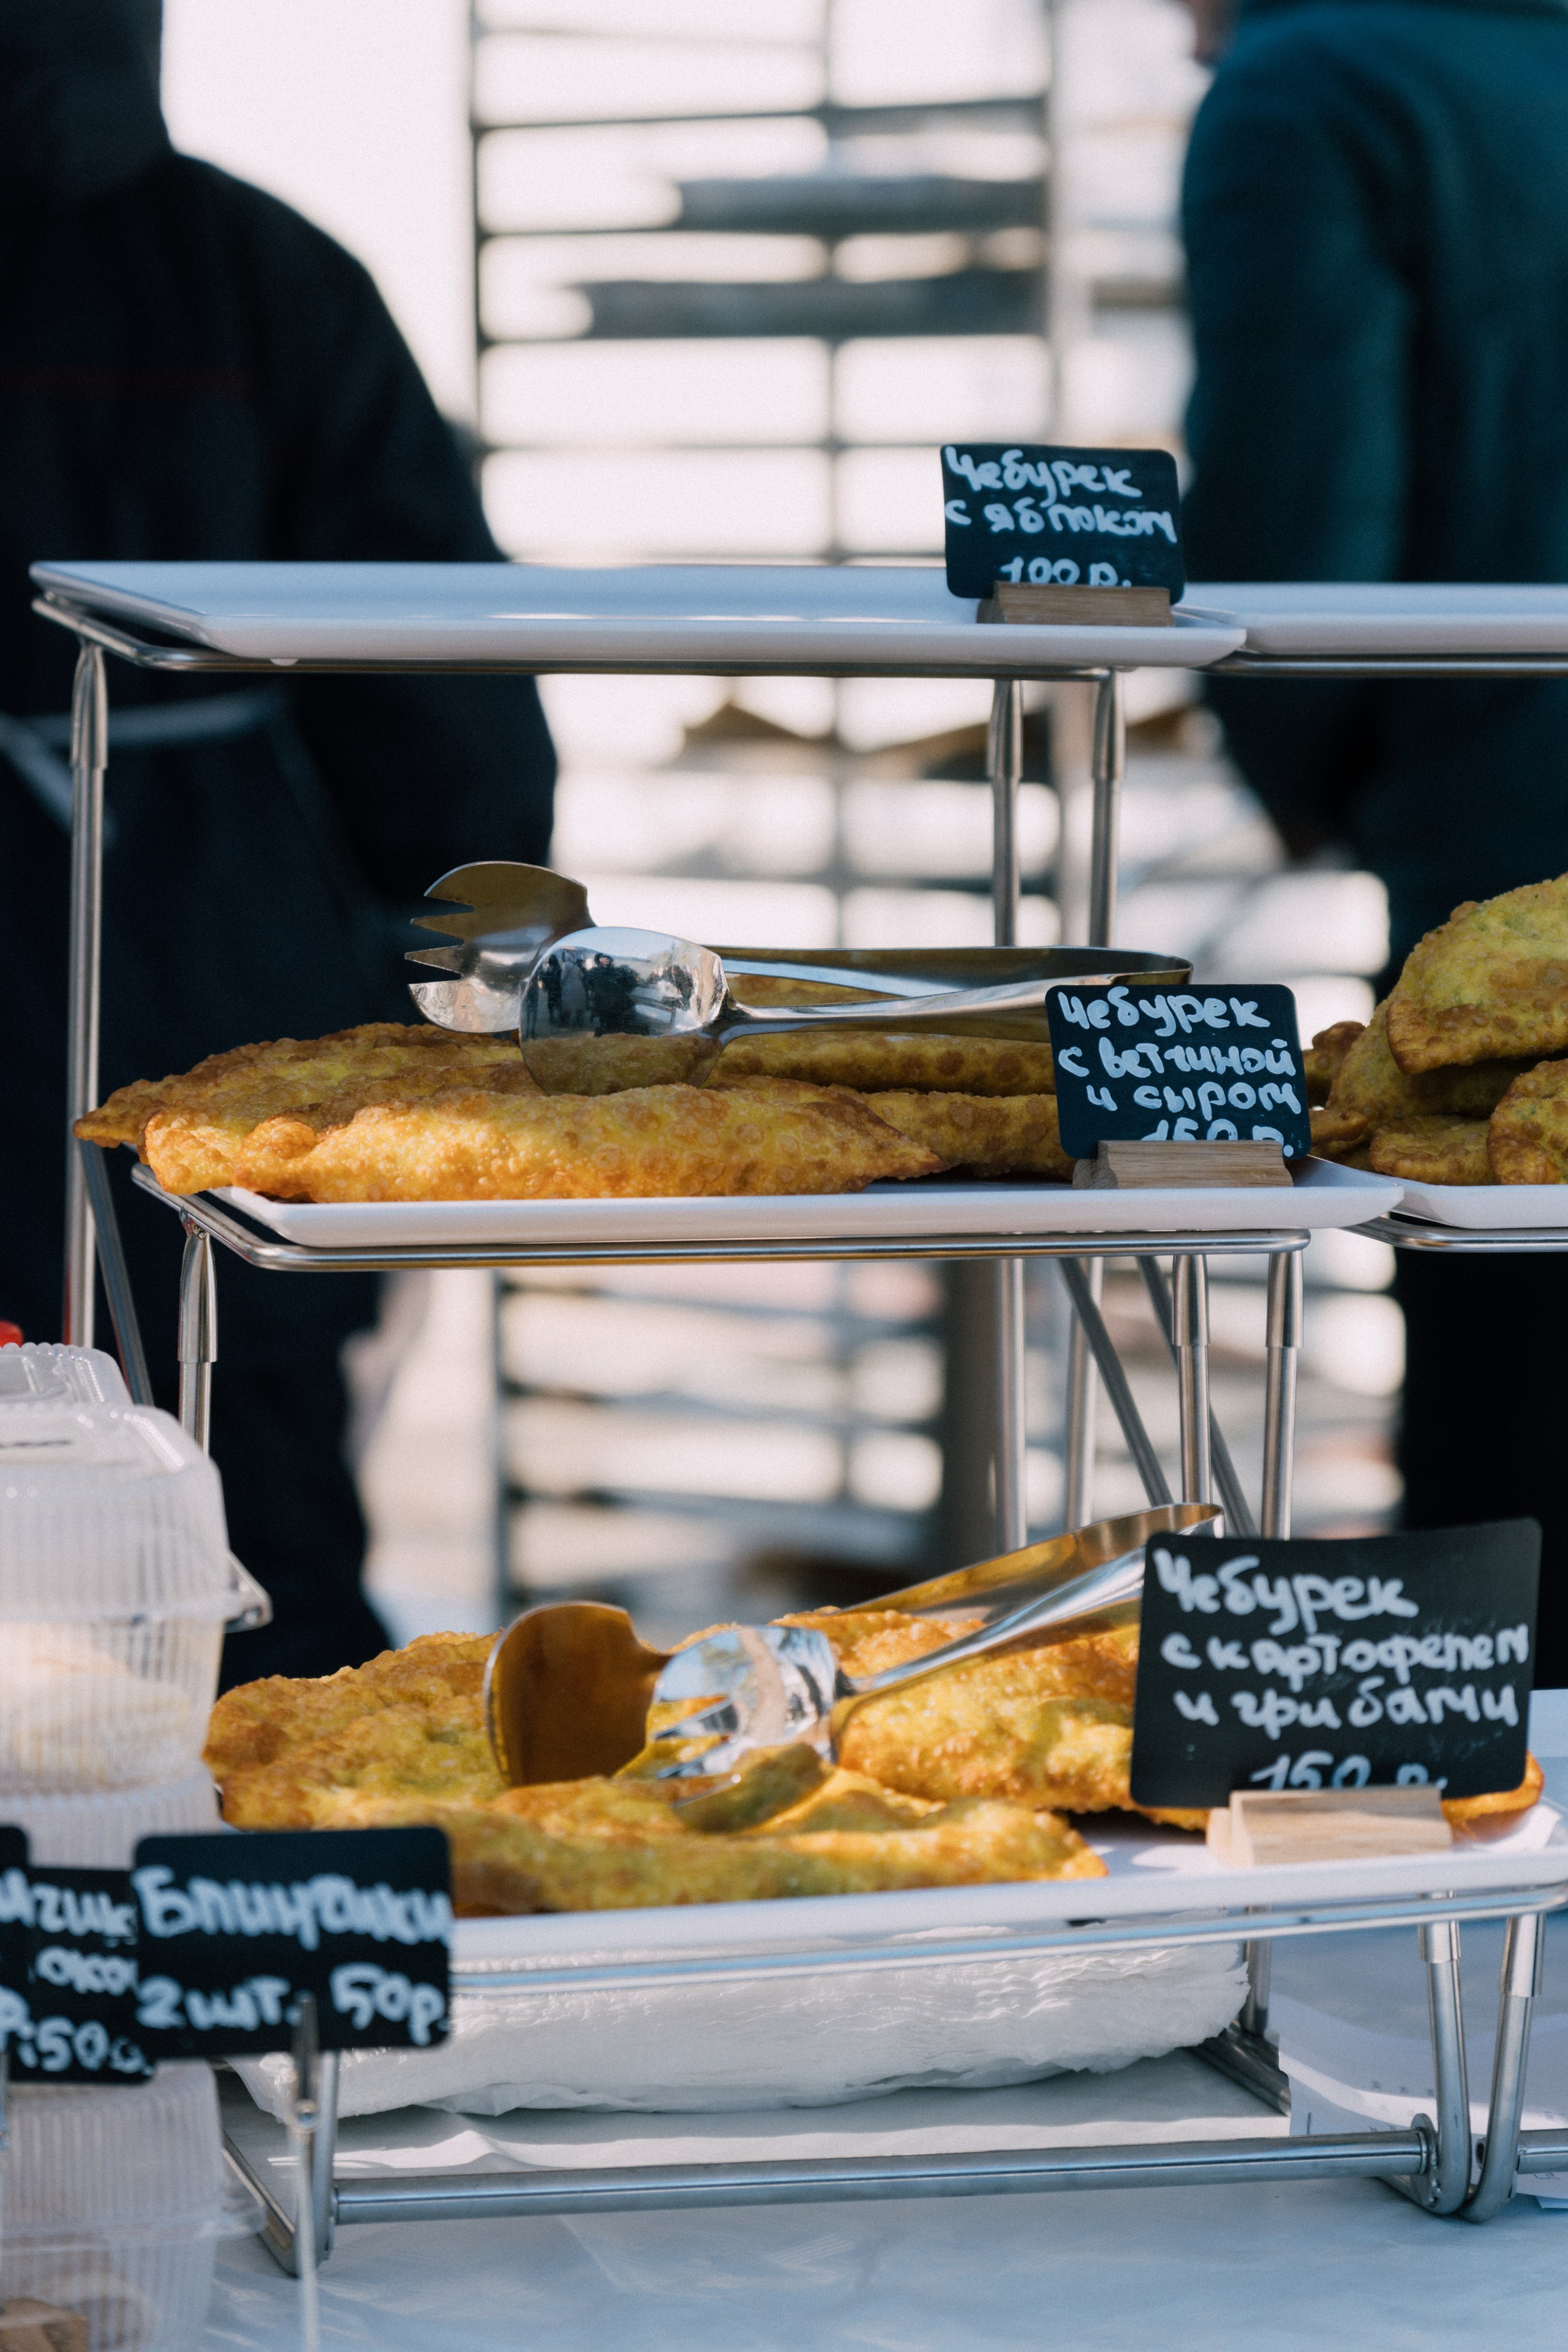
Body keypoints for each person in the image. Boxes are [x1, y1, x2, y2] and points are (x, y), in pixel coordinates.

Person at [0, 0, 556, 1679]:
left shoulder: (274, 271)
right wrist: (470, 1015)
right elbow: (443, 692)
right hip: (222, 983)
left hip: (191, 943)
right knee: (247, 1545)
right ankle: (263, 1851)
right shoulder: (266, 273)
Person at [1179, 0, 1568, 1679]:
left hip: (1516, 864)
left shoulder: (1316, 90)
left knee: (1524, 1477)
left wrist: (1303, 769)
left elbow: (1297, 528)